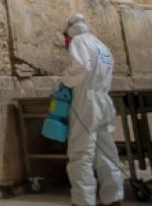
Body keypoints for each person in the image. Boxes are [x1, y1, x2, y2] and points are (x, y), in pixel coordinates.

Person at [61, 13, 123, 206]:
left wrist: (64, 81)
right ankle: (113, 198)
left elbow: (81, 67)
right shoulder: (101, 46)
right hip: (104, 100)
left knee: (81, 153)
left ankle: (83, 201)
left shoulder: (79, 42)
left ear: (70, 29)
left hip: (86, 102)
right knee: (106, 151)